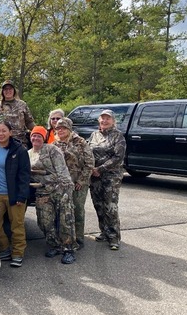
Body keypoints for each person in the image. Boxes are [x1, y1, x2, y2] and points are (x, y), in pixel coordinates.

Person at [0, 120, 30, 267]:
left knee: (17, 226)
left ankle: (17, 253)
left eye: (4, 131)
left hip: (14, 195)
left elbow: (24, 174)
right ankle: (4, 249)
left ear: (10, 132)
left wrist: (22, 195)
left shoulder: (19, 150)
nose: (1, 134)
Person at [29, 126, 77, 264]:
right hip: (42, 192)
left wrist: (45, 179)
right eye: (33, 135)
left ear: (44, 137)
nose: (35, 138)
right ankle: (55, 245)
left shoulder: (52, 150)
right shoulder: (28, 153)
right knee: (44, 221)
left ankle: (68, 249)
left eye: (39, 135)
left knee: (65, 221)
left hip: (60, 189)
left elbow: (61, 173)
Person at [88, 109, 127, 250]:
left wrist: (101, 169)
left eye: (107, 118)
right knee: (98, 203)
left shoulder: (118, 136)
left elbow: (118, 157)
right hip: (95, 175)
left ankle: (114, 237)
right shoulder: (94, 135)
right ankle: (104, 231)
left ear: (113, 121)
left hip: (111, 176)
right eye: (102, 118)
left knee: (110, 205)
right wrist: (91, 168)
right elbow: (87, 152)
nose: (104, 121)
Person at [53, 117, 94, 249]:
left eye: (63, 128)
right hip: (61, 185)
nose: (60, 130)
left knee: (77, 210)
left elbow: (89, 163)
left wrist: (82, 181)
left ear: (69, 129)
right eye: (58, 128)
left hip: (78, 183)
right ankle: (64, 238)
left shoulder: (80, 142)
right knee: (62, 211)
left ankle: (79, 238)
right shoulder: (55, 144)